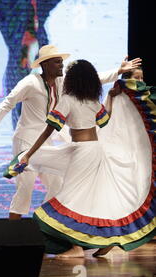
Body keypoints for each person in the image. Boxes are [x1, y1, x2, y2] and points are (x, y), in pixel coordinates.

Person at [11, 59, 156, 258]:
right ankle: (107, 239)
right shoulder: (92, 101)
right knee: (90, 199)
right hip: (94, 150)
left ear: (72, 79)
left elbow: (48, 130)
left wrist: (29, 153)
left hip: (83, 152)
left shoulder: (68, 99)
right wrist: (111, 99)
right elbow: (105, 121)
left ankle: (76, 248)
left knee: (70, 198)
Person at [0, 44, 142, 220]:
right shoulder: (30, 83)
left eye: (61, 62)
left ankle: (44, 225)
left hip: (47, 140)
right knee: (25, 187)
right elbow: (8, 102)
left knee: (56, 185)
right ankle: (12, 231)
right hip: (27, 140)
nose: (62, 65)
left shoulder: (62, 81)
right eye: (57, 62)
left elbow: (90, 77)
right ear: (45, 65)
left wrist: (118, 71)